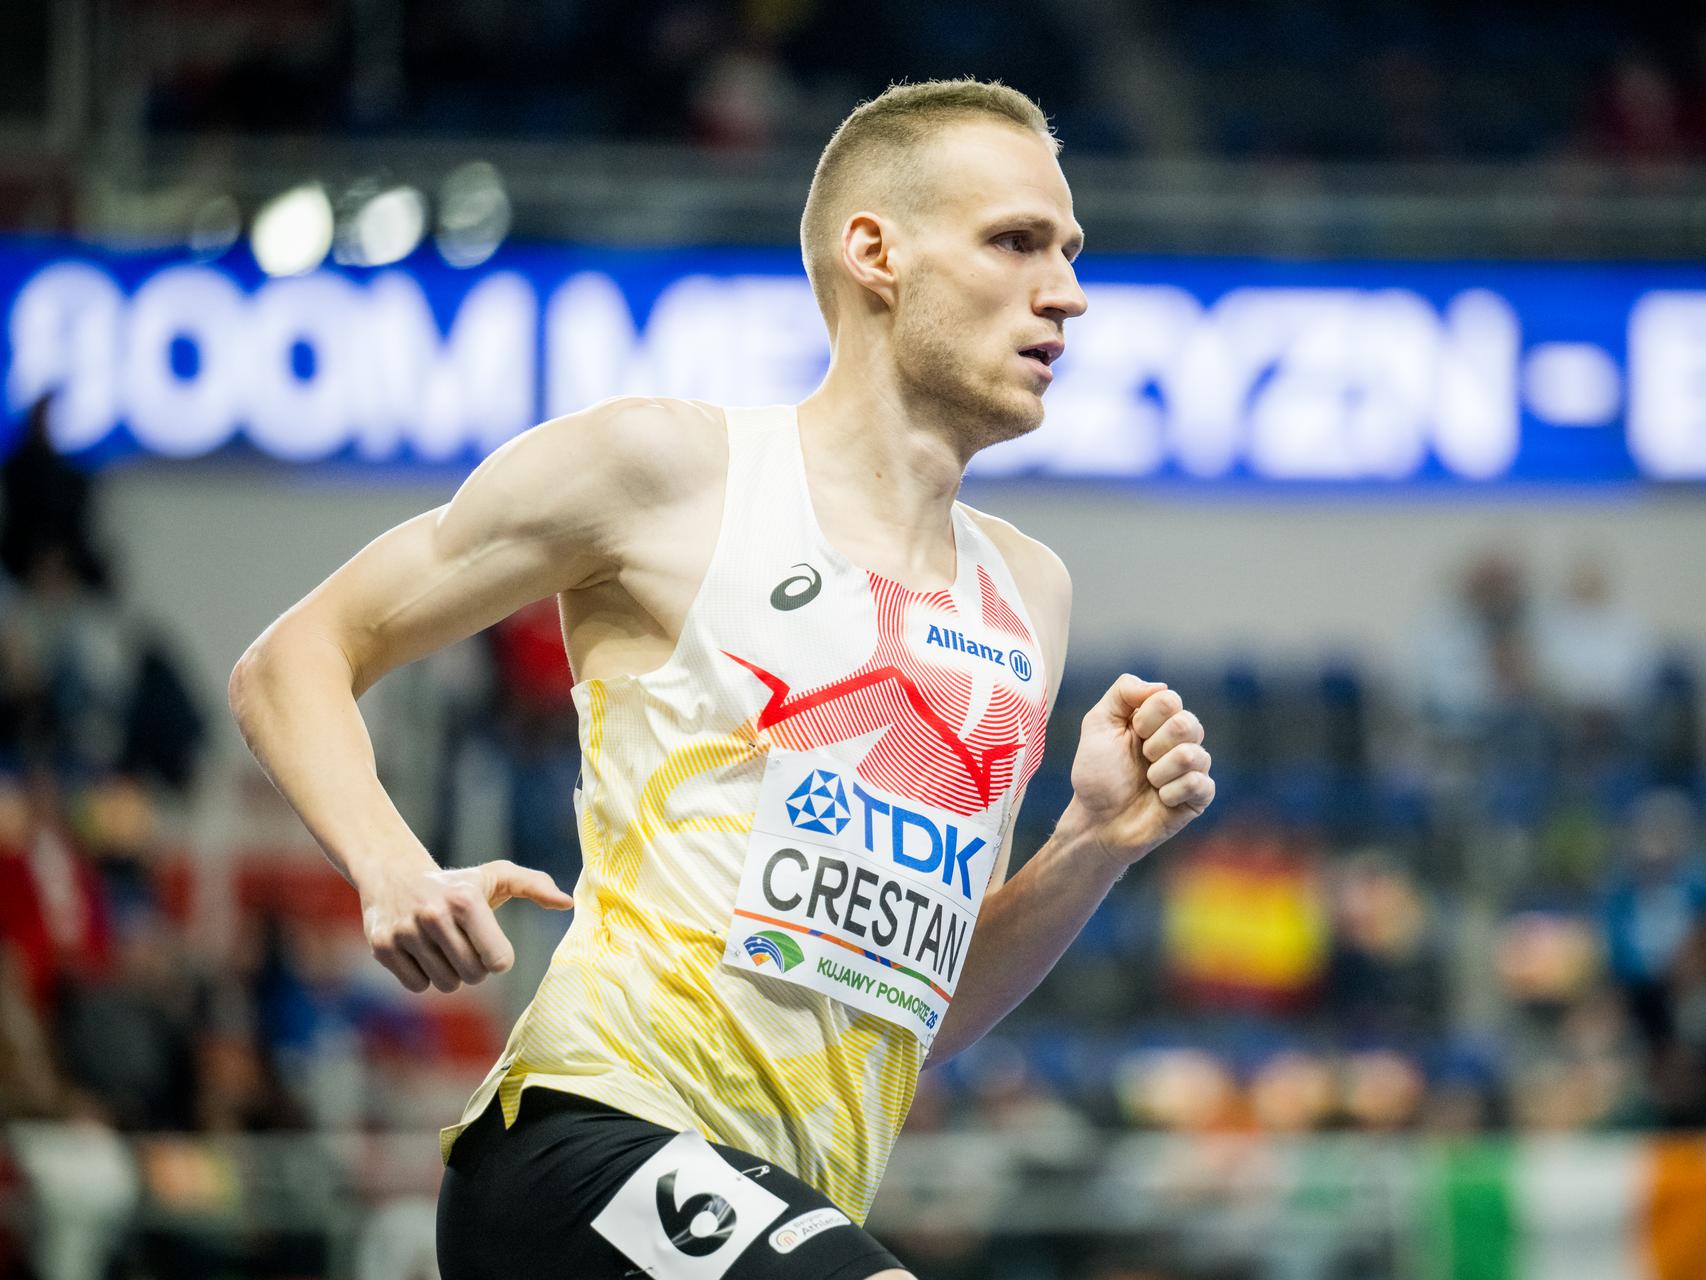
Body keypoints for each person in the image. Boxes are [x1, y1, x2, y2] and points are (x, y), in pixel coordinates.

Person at [228, 78, 1215, 1280]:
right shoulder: (671, 470)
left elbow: (924, 1013)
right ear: (875, 252)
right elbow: (296, 659)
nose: (1066, 290)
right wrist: (389, 861)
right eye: (1015, 242)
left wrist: (1095, 841)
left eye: (1069, 250)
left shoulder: (1026, 593)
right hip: (583, 1146)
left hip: (775, 1207)